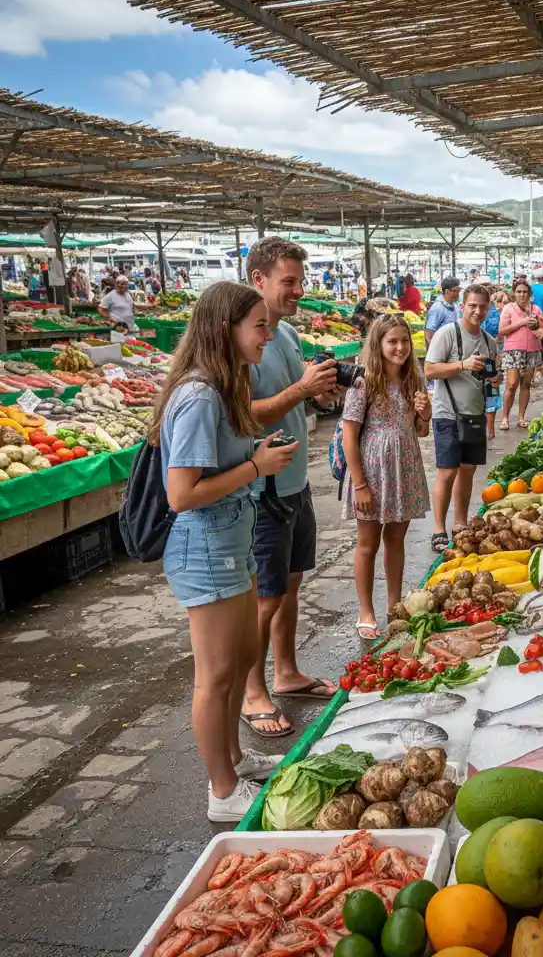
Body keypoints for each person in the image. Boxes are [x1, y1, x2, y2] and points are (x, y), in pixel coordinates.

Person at [151, 281, 299, 821]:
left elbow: (221, 463)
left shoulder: (224, 386)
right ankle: (220, 791)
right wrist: (255, 468)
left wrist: (255, 454)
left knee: (240, 660)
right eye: (258, 326)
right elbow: (182, 493)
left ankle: (235, 759)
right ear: (224, 329)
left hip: (232, 539)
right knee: (214, 677)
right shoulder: (197, 395)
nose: (269, 333)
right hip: (205, 548)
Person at [242, 238, 344, 739]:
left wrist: (319, 392)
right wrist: (300, 390)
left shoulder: (286, 336)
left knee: (292, 584)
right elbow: (246, 414)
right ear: (258, 280)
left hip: (296, 481)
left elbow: (288, 402)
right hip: (262, 488)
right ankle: (252, 690)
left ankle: (286, 671)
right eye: (290, 282)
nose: (299, 291)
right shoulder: (244, 342)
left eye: (301, 281)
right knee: (265, 594)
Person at [341, 316, 431, 638]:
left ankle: (394, 605)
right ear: (378, 345)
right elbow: (348, 437)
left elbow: (420, 432)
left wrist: (425, 414)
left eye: (404, 341)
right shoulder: (363, 382)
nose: (400, 347)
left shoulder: (413, 380)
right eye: (392, 341)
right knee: (367, 543)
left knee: (395, 540)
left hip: (403, 468)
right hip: (372, 470)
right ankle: (366, 610)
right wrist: (360, 484)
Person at [424, 285, 499, 553]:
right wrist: (462, 365)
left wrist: (494, 376)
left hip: (475, 414)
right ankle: (438, 529)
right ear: (463, 306)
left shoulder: (490, 341)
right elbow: (430, 370)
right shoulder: (448, 334)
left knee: (467, 470)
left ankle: (459, 523)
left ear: (488, 308)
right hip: (448, 414)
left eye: (482, 306)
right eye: (472, 306)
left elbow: (492, 377)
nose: (477, 311)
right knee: (447, 472)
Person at [498, 281, 543, 431]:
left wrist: (537, 328)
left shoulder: (536, 309)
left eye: (524, 292)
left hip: (532, 350)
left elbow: (542, 330)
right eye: (518, 291)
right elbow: (502, 330)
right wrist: (522, 322)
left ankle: (521, 417)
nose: (522, 294)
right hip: (513, 350)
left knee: (526, 384)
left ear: (529, 294)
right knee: (512, 383)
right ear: (514, 293)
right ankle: (505, 417)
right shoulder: (508, 308)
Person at [481, 285, 504, 439]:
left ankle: (488, 432)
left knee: (488, 394)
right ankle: (490, 431)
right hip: (492, 358)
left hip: (486, 358)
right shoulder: (495, 313)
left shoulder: (485, 314)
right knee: (492, 393)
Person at [424, 276, 462, 349]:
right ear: (447, 291)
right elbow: (429, 335)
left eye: (458, 291)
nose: (457, 294)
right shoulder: (437, 308)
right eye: (455, 291)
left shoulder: (455, 306)